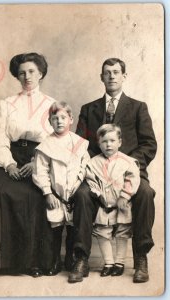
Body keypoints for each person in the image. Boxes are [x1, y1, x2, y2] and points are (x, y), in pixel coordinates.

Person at [68, 58, 157, 283]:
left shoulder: (138, 107)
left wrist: (125, 163)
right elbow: (79, 144)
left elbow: (149, 144)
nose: (112, 76)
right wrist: (95, 166)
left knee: (145, 193)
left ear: (124, 76)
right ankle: (81, 258)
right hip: (97, 173)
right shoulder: (89, 109)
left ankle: (140, 257)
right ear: (101, 77)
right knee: (81, 194)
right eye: (107, 72)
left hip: (128, 172)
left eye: (116, 72)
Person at [0, 52, 57, 278]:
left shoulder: (51, 104)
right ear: (17, 76)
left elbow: (56, 139)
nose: (27, 76)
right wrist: (10, 164)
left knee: (34, 194)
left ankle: (33, 262)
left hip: (41, 156)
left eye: (32, 71)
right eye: (22, 73)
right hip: (12, 155)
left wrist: (37, 162)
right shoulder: (7, 104)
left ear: (40, 73)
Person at [32, 101, 90, 275]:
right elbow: (40, 171)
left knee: (73, 227)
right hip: (55, 193)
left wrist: (77, 184)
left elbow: (83, 165)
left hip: (72, 191)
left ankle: (70, 259)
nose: (59, 121)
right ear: (50, 121)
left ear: (71, 119)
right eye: (55, 118)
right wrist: (48, 192)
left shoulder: (79, 143)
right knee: (54, 228)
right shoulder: (46, 145)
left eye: (63, 117)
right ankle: (54, 260)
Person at [85, 124, 140, 278]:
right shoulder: (93, 162)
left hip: (122, 204)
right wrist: (97, 193)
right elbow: (90, 180)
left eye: (112, 141)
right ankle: (108, 263)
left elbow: (133, 178)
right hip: (104, 205)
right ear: (98, 143)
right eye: (104, 141)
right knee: (102, 232)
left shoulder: (128, 161)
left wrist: (125, 195)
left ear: (120, 142)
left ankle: (120, 263)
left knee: (122, 232)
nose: (108, 144)